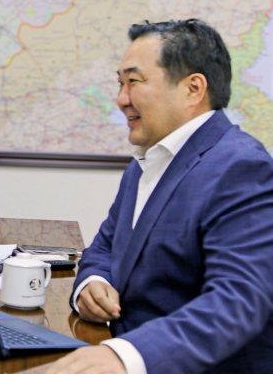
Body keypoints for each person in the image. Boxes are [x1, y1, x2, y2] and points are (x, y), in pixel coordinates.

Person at [48, 19, 273, 374]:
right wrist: (93, 283)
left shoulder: (241, 167)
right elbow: (105, 247)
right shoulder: (146, 161)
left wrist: (126, 356)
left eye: (134, 82)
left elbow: (238, 301)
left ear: (193, 89)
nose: (121, 99)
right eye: (120, 83)